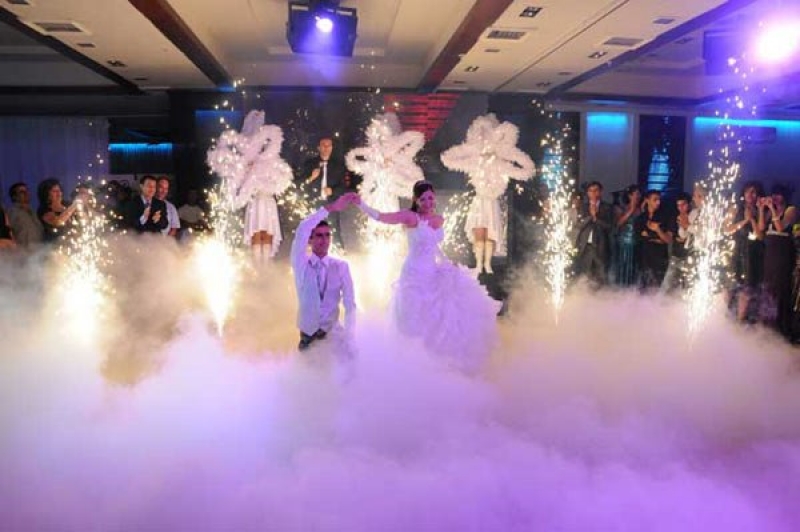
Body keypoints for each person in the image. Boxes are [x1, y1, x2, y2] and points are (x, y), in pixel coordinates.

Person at [356, 180, 499, 371]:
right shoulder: (410, 217)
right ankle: (411, 363)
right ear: (415, 200)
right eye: (423, 199)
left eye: (430, 198)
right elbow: (381, 217)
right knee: (413, 318)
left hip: (432, 271)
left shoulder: (438, 219)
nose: (428, 202)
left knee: (440, 314)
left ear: (435, 197)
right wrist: (360, 203)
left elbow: (434, 246)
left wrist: (447, 262)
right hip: (413, 275)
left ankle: (436, 363)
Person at [291, 193, 357, 351]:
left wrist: (349, 335)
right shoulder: (301, 264)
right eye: (319, 235)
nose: (324, 240)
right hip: (308, 338)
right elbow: (302, 229)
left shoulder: (341, 266)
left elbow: (350, 304)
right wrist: (331, 208)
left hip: (334, 336)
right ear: (310, 239)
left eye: (327, 235)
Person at [758, 184, 797, 337]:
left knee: (780, 287)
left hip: (783, 253)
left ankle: (782, 327)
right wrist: (761, 209)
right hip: (770, 253)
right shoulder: (770, 211)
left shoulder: (791, 210)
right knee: (769, 287)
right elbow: (761, 228)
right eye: (773, 194)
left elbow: (781, 227)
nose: (775, 197)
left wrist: (772, 209)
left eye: (778, 194)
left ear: (784, 196)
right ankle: (768, 325)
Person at [300, 137, 349, 248]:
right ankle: (311, 256)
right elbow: (300, 185)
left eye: (329, 145)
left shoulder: (339, 166)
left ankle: (337, 254)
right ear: (319, 147)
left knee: (333, 231)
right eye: (323, 145)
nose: (326, 148)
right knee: (312, 232)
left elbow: (343, 188)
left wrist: (332, 191)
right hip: (313, 203)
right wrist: (311, 178)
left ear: (332, 148)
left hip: (331, 204)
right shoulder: (309, 164)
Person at [727, 181, 765, 322]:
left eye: (754, 192)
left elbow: (760, 236)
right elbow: (727, 229)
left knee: (747, 289)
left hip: (752, 253)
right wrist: (744, 221)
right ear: (743, 193)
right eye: (748, 191)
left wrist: (752, 219)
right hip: (736, 250)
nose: (750, 194)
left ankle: (740, 321)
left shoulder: (760, 210)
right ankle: (726, 317)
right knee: (730, 285)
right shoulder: (735, 208)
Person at [574, 181, 614, 286]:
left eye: (596, 190)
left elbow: (610, 226)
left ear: (600, 192)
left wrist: (596, 218)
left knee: (600, 275)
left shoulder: (607, 207)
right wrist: (590, 216)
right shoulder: (583, 207)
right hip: (585, 246)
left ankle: (600, 294)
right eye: (590, 191)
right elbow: (579, 225)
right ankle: (584, 294)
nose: (593, 193)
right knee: (585, 275)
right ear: (587, 193)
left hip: (600, 246)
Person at [635, 190, 673, 291]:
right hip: (644, 256)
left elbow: (668, 240)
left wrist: (657, 230)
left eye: (659, 199)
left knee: (657, 285)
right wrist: (655, 237)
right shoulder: (641, 218)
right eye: (655, 200)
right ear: (647, 200)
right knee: (643, 286)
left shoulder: (665, 216)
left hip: (659, 256)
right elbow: (639, 235)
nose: (658, 202)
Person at [613, 184, 641, 287]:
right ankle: (622, 287)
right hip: (624, 241)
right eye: (636, 194)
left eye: (639, 194)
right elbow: (618, 223)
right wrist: (631, 210)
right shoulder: (621, 208)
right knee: (624, 264)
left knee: (634, 266)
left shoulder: (640, 209)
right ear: (630, 195)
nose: (638, 196)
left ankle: (632, 288)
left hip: (636, 241)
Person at [37, 178, 80, 243]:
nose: (59, 193)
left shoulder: (67, 204)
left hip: (73, 243)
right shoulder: (44, 210)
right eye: (55, 191)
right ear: (46, 194)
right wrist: (75, 204)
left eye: (60, 190)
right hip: (54, 245)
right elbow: (58, 222)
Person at [7, 182, 43, 249]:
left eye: (27, 191)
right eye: (22, 192)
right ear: (14, 197)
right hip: (22, 252)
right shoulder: (12, 213)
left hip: (38, 251)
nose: (26, 193)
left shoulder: (33, 213)